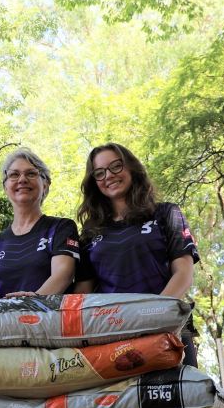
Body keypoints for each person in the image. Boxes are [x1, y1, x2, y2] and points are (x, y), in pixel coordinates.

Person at [74, 143, 200, 366]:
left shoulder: (166, 213)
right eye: (99, 173)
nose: (108, 176)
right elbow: (83, 293)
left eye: (116, 166)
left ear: (131, 168)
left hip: (169, 332)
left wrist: (152, 317)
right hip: (114, 341)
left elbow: (183, 273)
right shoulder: (90, 232)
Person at [0, 148, 80, 300]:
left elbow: (64, 274)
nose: (22, 179)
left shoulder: (60, 227)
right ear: (5, 187)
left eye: (31, 173)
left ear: (45, 184)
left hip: (48, 314)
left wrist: (31, 302)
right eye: (14, 175)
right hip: (3, 316)